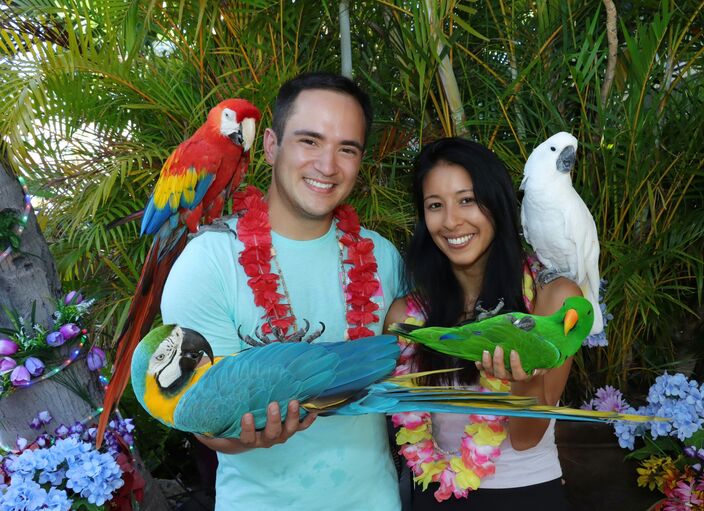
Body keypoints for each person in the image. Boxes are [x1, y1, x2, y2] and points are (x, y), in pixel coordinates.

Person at [161, 72, 405, 510]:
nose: (327, 165)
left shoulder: (384, 257)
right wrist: (243, 437)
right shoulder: (208, 261)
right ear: (271, 145)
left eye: (346, 149)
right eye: (309, 141)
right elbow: (200, 419)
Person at [385, 137, 579, 509]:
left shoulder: (551, 300)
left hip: (524, 497)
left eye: (467, 200)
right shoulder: (408, 319)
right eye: (435, 206)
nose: (452, 220)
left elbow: (526, 437)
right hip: (435, 496)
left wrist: (527, 379)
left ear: (498, 203)